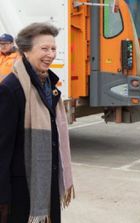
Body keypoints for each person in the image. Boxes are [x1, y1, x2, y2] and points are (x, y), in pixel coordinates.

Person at [0, 22, 74, 223]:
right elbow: (2, 149)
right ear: (25, 51)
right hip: (21, 189)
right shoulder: (11, 89)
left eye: (53, 49)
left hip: (46, 182)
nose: (50, 54)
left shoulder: (49, 85)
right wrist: (3, 198)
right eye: (44, 49)